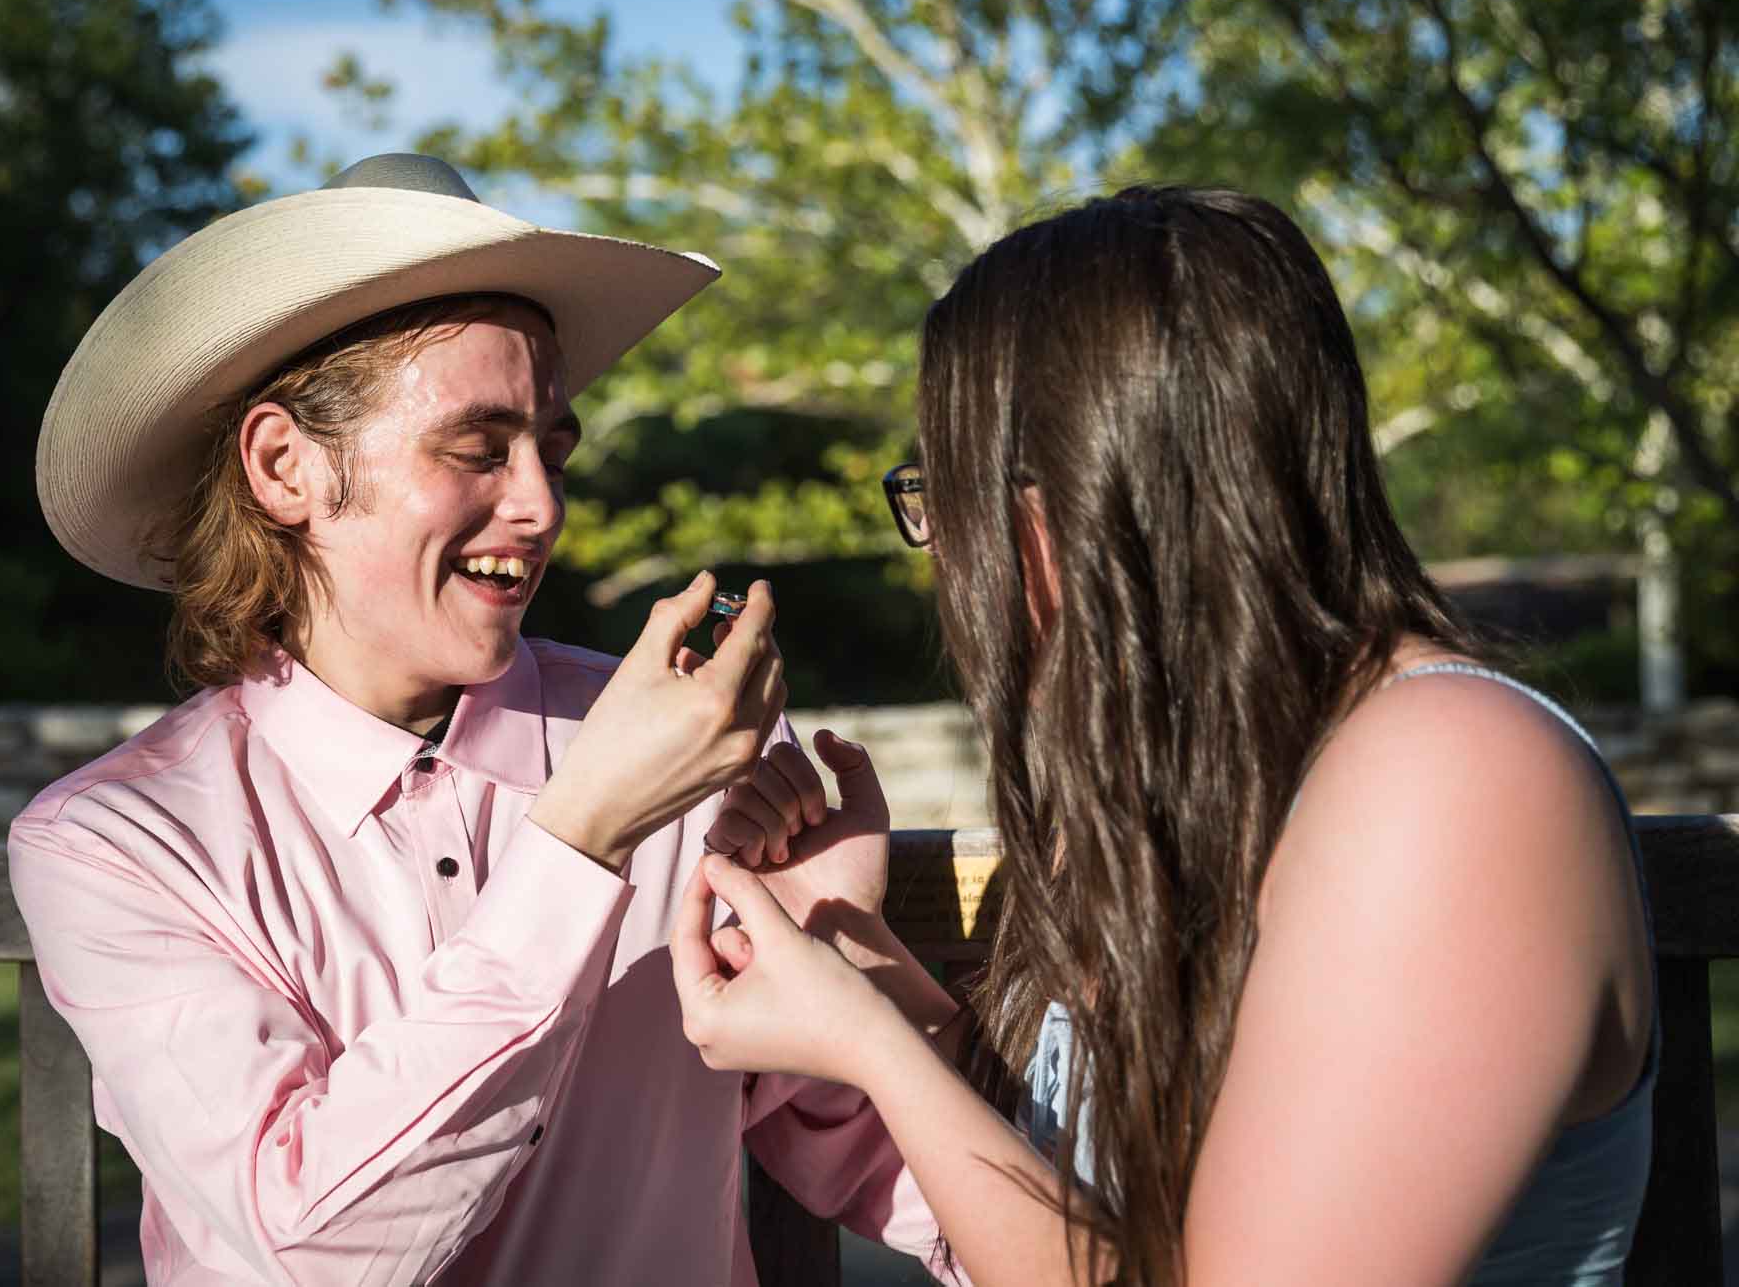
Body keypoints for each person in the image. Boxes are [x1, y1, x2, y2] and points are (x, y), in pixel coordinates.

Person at [9, 153, 968, 1286]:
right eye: (476, 449)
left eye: (550, 447)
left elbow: (907, 1170)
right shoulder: (119, 843)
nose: (541, 504)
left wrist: (838, 946)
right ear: (284, 467)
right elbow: (317, 1250)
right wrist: (578, 842)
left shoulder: (692, 751)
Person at [671, 186, 1656, 1287]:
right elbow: (1081, 1192)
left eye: (943, 493)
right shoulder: (1222, 783)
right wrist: (849, 949)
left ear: (1088, 492)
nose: (942, 552)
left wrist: (869, 1046)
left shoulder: (1450, 780)